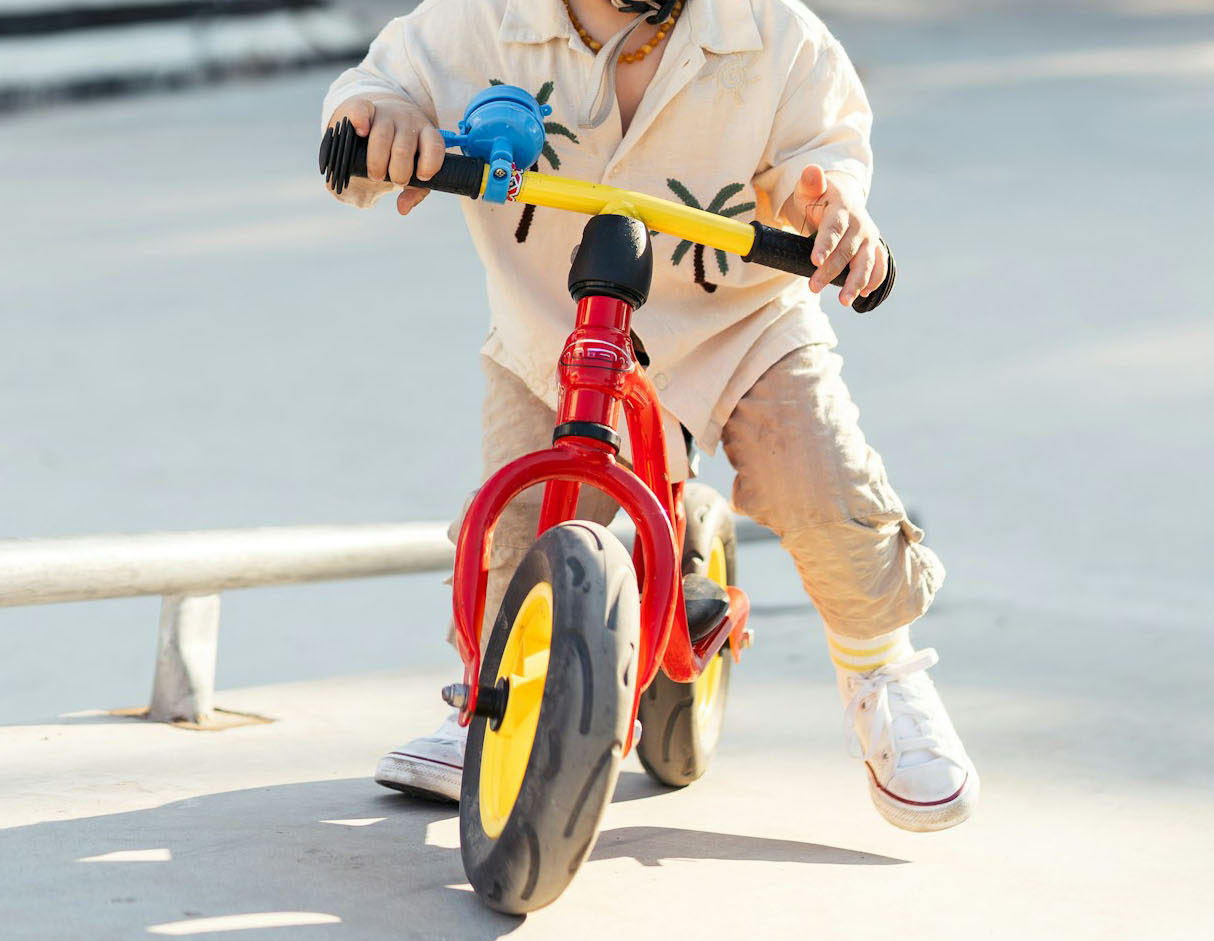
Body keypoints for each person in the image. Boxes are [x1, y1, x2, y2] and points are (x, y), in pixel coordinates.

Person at [322, 0, 978, 832]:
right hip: (555, 326)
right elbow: (373, 89)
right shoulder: (482, 21)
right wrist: (381, 122)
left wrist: (832, 208)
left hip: (738, 321)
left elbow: (825, 149)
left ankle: (881, 668)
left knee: (821, 480)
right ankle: (493, 701)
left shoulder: (770, 32)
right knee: (518, 532)